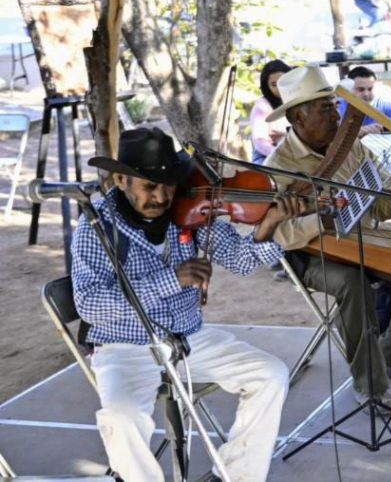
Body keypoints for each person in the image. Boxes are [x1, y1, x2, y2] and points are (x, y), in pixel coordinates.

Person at [72, 127, 305, 482]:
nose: (162, 197)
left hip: (189, 339)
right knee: (121, 418)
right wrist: (171, 280)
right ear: (121, 179)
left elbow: (240, 262)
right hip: (124, 347)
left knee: (270, 375)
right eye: (149, 186)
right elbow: (90, 303)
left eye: (168, 185)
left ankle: (236, 476)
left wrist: (269, 225)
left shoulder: (189, 206)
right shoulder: (95, 225)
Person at [264, 65, 391, 406]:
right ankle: (371, 386)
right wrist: (321, 223)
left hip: (364, 242)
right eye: (326, 110)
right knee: (352, 282)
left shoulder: (351, 149)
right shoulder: (277, 165)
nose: (336, 116)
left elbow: (381, 205)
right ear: (298, 117)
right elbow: (278, 235)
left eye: (335, 107)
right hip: (310, 254)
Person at [337, 66, 391, 136]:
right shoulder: (337, 106)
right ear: (349, 89)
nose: (366, 94)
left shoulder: (379, 105)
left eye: (370, 89)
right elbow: (335, 133)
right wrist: (362, 131)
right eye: (361, 89)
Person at [248, 59, 292, 164]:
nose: (279, 88)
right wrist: (281, 157)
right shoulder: (262, 106)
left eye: (282, 82)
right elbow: (260, 142)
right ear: (266, 86)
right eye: (273, 84)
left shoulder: (297, 100)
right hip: (267, 155)